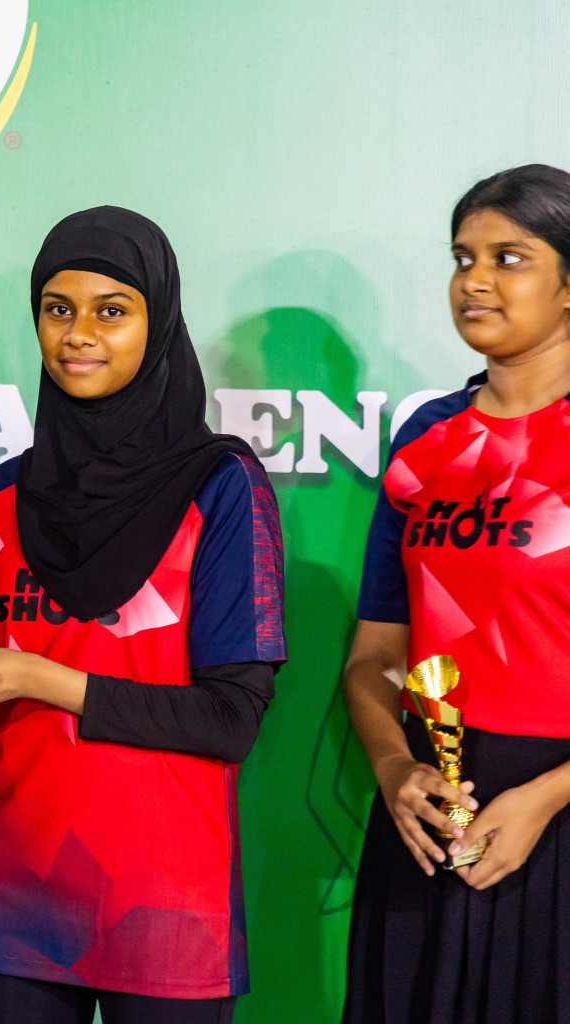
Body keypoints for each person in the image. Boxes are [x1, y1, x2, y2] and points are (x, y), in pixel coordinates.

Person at [0, 207, 286, 1023]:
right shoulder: (5, 494)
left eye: (111, 311)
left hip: (163, 899)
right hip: (15, 886)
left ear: (158, 321)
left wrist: (37, 675)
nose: (79, 333)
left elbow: (230, 719)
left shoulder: (221, 485)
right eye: (57, 308)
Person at [342, 164, 570, 1023]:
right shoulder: (427, 437)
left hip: (551, 817)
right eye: (461, 256)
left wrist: (545, 798)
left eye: (509, 257)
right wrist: (395, 768)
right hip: (428, 819)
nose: (474, 279)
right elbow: (372, 659)